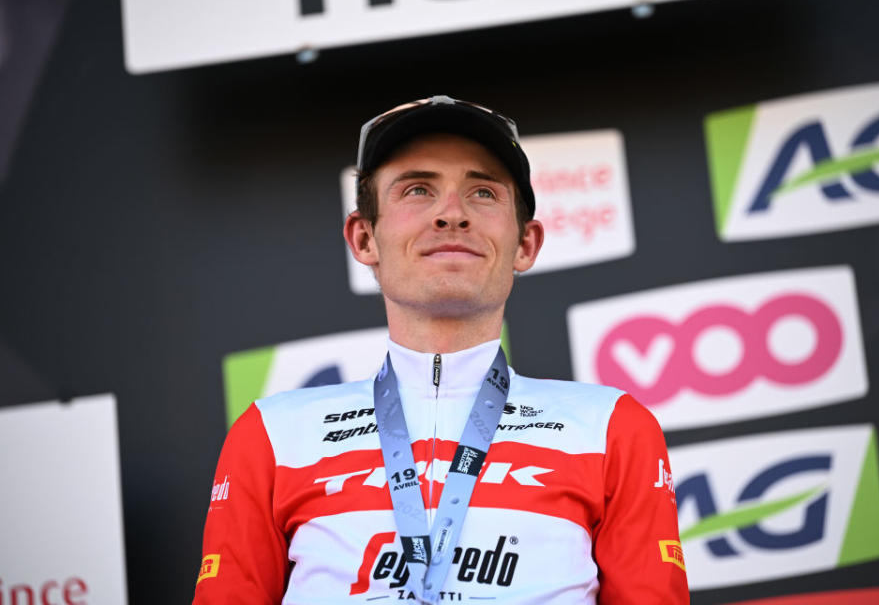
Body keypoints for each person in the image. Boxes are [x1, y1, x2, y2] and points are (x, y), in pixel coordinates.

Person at [193, 96, 689, 604]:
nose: (452, 214)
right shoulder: (272, 435)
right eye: (418, 189)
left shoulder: (611, 428)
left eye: (482, 192)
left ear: (525, 243)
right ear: (365, 239)